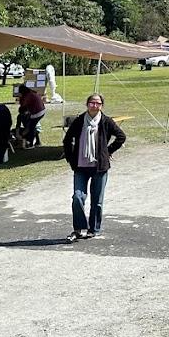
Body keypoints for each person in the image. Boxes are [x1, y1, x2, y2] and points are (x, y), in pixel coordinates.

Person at [63, 93, 127, 241]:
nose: (94, 106)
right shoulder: (79, 121)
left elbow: (121, 137)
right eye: (92, 103)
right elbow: (67, 140)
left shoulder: (106, 121)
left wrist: (107, 151)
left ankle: (94, 229)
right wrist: (71, 159)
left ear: (101, 106)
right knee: (77, 197)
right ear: (87, 105)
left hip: (99, 167)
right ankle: (79, 228)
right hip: (80, 166)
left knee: (97, 201)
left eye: (98, 103)